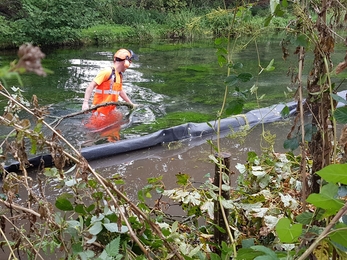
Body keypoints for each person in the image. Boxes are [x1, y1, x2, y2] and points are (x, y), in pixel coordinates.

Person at [82, 48, 138, 142]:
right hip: (100, 114)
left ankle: (112, 148)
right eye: (130, 61)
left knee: (114, 136)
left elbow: (120, 91)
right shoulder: (107, 72)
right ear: (126, 61)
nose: (130, 64)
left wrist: (131, 104)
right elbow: (91, 86)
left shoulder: (119, 75)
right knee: (92, 134)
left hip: (110, 112)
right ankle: (86, 151)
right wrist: (85, 103)